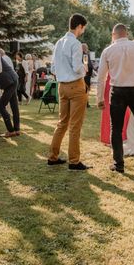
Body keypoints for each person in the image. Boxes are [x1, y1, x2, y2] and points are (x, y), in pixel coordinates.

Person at [96, 25, 134, 173]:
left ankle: (119, 164)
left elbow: (101, 77)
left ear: (113, 34)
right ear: (127, 34)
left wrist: (99, 98)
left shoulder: (108, 50)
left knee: (116, 128)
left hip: (117, 91)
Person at [47, 13, 90, 171]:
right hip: (75, 85)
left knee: (62, 123)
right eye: (83, 28)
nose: (83, 31)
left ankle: (52, 156)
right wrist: (84, 69)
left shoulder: (59, 42)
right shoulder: (75, 43)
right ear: (79, 26)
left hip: (62, 86)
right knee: (75, 125)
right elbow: (77, 67)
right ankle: (74, 161)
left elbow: (52, 67)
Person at [0, 47, 21, 137]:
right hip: (13, 80)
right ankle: (17, 129)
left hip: (10, 82)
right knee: (14, 106)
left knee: (1, 106)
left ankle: (11, 130)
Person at [82, 43, 94, 108]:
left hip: (86, 74)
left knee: (85, 89)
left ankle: (86, 103)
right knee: (86, 89)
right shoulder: (85, 55)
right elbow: (86, 65)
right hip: (86, 75)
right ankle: (86, 103)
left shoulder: (85, 55)